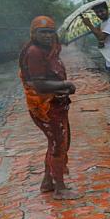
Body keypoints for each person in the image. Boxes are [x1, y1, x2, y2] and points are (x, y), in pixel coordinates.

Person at [19, 16, 80, 200]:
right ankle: (60, 189)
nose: (47, 36)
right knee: (58, 144)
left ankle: (47, 182)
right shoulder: (35, 52)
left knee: (57, 142)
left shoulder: (49, 50)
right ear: (33, 33)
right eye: (42, 32)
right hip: (45, 107)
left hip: (55, 104)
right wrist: (65, 84)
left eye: (50, 32)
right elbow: (39, 85)